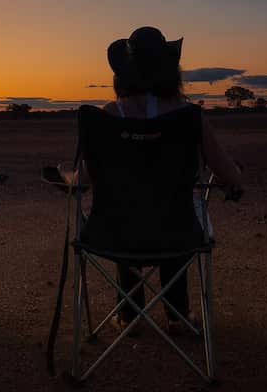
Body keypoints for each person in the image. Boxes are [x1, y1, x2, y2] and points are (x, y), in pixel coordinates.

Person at [59, 26, 246, 334]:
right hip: (178, 233)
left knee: (127, 208)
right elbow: (230, 175)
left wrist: (65, 177)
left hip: (112, 234)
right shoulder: (188, 117)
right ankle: (177, 314)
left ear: (123, 74)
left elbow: (82, 182)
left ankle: (129, 314)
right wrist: (235, 177)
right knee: (171, 209)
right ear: (170, 72)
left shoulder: (106, 118)